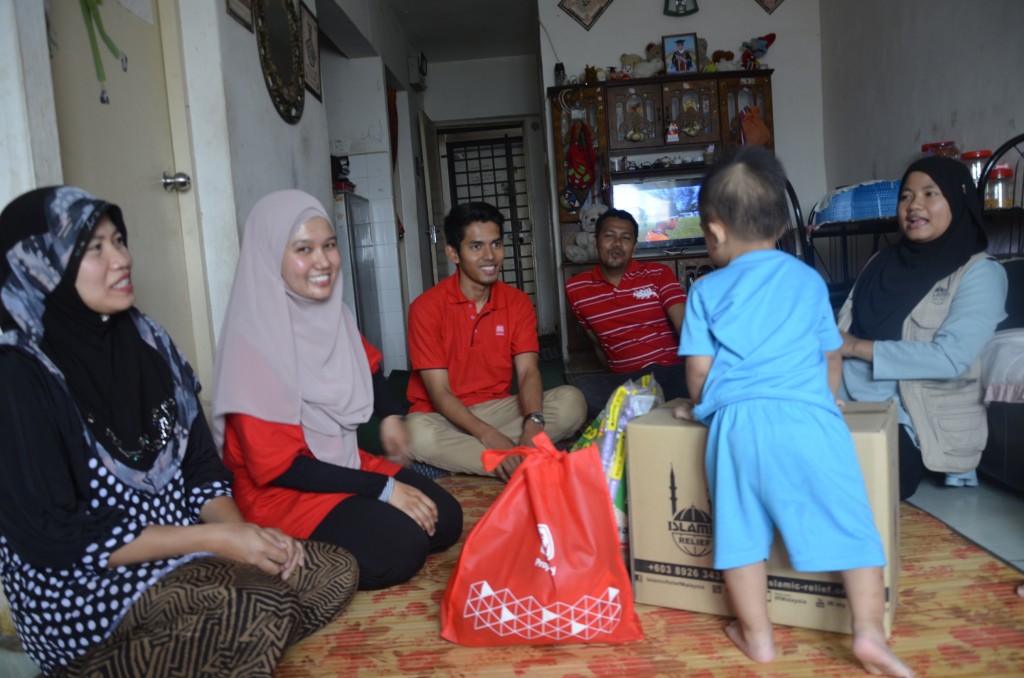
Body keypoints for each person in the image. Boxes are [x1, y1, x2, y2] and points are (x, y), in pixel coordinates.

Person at [0, 186, 358, 677]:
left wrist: (238, 533)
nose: (121, 259)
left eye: (119, 241)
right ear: (40, 265)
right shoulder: (18, 374)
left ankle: (200, 643)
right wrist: (215, 543)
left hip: (186, 553)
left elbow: (199, 466)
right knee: (257, 606)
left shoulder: (148, 341)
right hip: (85, 587)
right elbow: (53, 535)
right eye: (94, 248)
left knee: (332, 570)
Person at [673, 149, 911, 677]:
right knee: (854, 526)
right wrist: (827, 398)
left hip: (737, 426)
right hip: (809, 420)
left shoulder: (705, 290)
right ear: (782, 224)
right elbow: (829, 354)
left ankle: (758, 639)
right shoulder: (807, 281)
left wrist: (701, 408)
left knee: (739, 535)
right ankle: (870, 632)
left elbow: (697, 373)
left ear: (713, 232)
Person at [212, 190, 462, 591]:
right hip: (281, 492)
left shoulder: (334, 315)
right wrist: (383, 489)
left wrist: (392, 417)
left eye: (328, 245)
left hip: (342, 460)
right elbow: (281, 467)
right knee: (401, 549)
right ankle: (280, 555)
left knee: (445, 518)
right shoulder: (253, 345)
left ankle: (366, 516)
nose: (322, 261)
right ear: (269, 256)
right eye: (303, 249)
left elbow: (370, 366)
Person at [838, 156, 1007, 500]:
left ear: (959, 201)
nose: (914, 205)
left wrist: (855, 347)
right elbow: (835, 335)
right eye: (906, 196)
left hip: (911, 418)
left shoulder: (981, 274)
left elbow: (950, 358)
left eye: (930, 194)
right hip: (843, 397)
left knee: (865, 480)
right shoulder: (880, 263)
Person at [406, 202, 587, 481]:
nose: (490, 256)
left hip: (498, 410)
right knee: (416, 434)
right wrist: (487, 435)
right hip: (443, 417)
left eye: (496, 244)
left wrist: (533, 423)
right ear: (453, 253)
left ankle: (497, 460)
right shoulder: (426, 308)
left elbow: (527, 372)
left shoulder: (516, 303)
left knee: (572, 402)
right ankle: (525, 460)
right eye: (476, 247)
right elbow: (440, 393)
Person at [565, 208, 689, 418]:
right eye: (609, 235)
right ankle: (644, 407)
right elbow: (598, 343)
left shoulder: (659, 274)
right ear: (596, 241)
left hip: (668, 372)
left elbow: (686, 328)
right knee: (577, 392)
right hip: (625, 381)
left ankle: (640, 409)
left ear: (634, 246)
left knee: (692, 379)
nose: (616, 244)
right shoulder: (576, 288)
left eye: (626, 238)